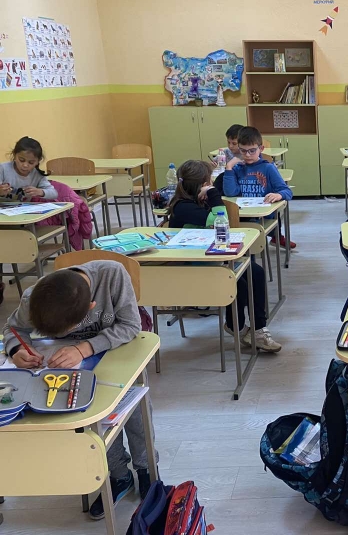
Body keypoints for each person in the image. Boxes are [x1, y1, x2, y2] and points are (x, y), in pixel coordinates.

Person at [2, 261, 158, 519]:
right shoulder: (35, 298)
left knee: (132, 405)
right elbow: (13, 328)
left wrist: (84, 348)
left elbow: (130, 326)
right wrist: (18, 349)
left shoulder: (112, 275)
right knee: (91, 415)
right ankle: (119, 474)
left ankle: (146, 468)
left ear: (91, 307)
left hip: (116, 354)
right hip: (65, 370)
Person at [168, 160, 280, 352]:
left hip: (211, 257)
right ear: (202, 184)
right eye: (208, 181)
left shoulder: (198, 201)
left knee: (256, 272)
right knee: (238, 283)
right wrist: (213, 193)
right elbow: (221, 220)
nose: (211, 184)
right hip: (192, 265)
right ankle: (236, 326)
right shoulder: (183, 207)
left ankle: (259, 329)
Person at [222, 126, 295, 248]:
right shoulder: (237, 168)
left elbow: (287, 191)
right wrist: (229, 167)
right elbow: (230, 193)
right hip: (243, 215)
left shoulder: (268, 168)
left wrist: (278, 195)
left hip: (263, 216)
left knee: (250, 238)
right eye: (243, 151)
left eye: (252, 151)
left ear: (261, 149)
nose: (247, 155)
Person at [0, 136, 57, 201]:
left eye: (31, 162)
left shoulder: (37, 174)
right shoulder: (2, 168)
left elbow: (54, 193)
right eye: (21, 160)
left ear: (38, 161)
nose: (25, 165)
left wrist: (40, 192)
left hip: (24, 207)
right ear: (14, 155)